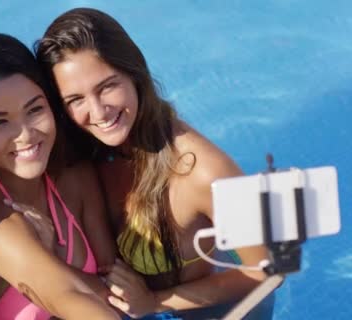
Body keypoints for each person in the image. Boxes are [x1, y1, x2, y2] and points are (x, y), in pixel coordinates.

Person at [36, 8, 270, 318]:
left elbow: (267, 270)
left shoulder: (202, 170)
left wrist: (154, 301)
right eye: (75, 99)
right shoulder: (88, 153)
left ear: (134, 73)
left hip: (218, 311)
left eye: (107, 86)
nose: (98, 112)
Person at [0, 33, 118, 320]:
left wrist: (55, 260)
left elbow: (115, 284)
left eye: (35, 109)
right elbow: (73, 298)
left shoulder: (75, 177)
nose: (25, 135)